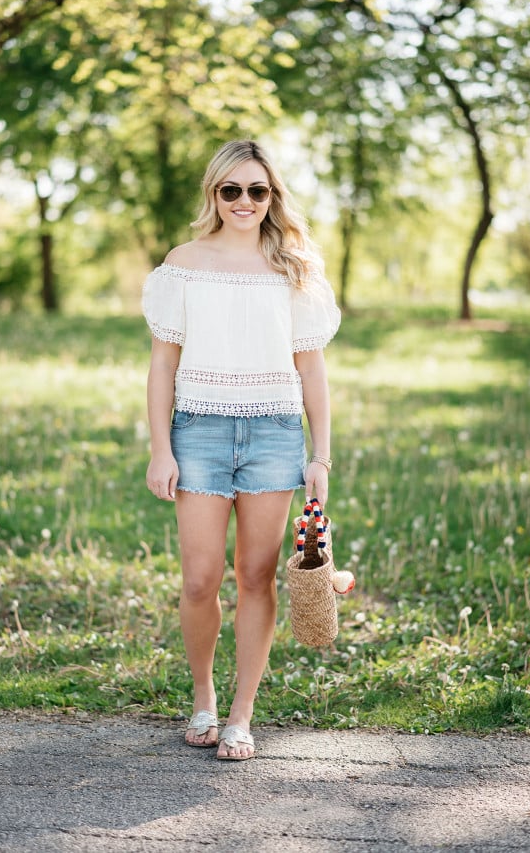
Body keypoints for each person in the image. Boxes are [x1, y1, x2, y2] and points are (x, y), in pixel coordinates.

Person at [142, 139, 340, 761]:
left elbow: (312, 373)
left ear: (272, 195)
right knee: (201, 579)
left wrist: (321, 456)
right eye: (232, 190)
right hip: (197, 432)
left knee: (256, 577)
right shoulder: (183, 264)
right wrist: (159, 450)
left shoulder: (295, 269)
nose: (245, 201)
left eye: (258, 190)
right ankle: (203, 697)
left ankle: (240, 715)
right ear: (215, 195)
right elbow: (161, 368)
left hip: (275, 433)